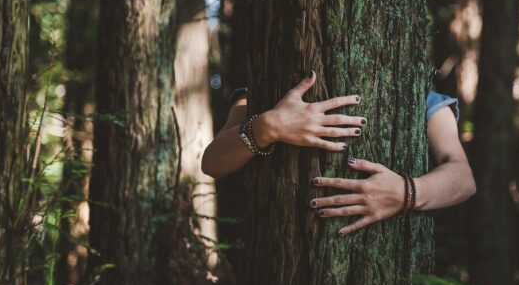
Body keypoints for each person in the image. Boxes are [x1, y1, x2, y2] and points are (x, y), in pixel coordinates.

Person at [202, 71, 476, 236]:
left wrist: (406, 192)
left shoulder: (422, 100)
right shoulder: (261, 92)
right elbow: (213, 162)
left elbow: (463, 178)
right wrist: (268, 126)